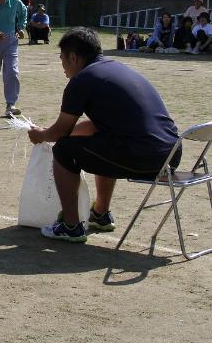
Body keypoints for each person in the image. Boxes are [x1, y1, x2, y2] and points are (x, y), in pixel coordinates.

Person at [27, 27, 181, 243]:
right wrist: (67, 135)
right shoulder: (117, 68)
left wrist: (41, 135)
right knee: (102, 141)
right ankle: (100, 214)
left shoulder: (81, 80)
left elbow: (60, 131)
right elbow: (96, 125)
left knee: (63, 151)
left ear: (73, 57)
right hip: (171, 155)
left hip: (146, 157)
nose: (62, 67)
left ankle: (71, 226)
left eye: (62, 59)